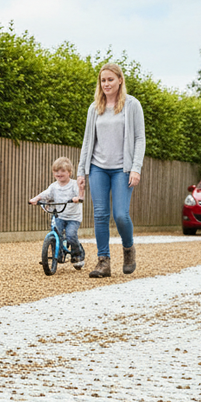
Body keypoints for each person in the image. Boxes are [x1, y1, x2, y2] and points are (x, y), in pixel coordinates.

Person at [77, 62, 146, 277]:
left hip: (122, 169)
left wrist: (136, 168)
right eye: (103, 80)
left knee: (120, 215)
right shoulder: (94, 107)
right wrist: (81, 171)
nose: (106, 83)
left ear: (120, 80)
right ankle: (103, 262)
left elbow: (139, 138)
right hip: (98, 167)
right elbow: (88, 141)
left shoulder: (132, 105)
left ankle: (128, 249)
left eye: (110, 79)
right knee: (100, 214)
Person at [29, 156, 86, 270]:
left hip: (73, 217)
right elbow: (46, 194)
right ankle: (57, 255)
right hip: (59, 215)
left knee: (70, 235)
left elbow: (80, 194)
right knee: (56, 234)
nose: (59, 174)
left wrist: (78, 197)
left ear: (69, 172)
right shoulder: (54, 186)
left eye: (62, 171)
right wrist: (36, 199)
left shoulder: (73, 184)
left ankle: (77, 255)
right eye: (56, 171)